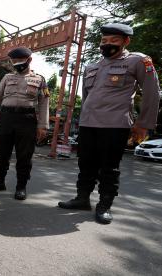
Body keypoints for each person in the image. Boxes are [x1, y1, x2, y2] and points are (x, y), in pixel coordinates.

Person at [58, 23, 160, 224]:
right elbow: (86, 97)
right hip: (88, 124)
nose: (107, 44)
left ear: (126, 41)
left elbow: (152, 93)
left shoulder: (138, 61)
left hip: (115, 125)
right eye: (104, 41)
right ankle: (82, 198)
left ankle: (104, 205)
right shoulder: (92, 66)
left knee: (109, 168)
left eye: (114, 40)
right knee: (85, 164)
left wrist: (143, 124)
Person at [0, 47, 49, 200]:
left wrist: (42, 125)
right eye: (14, 61)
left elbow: (44, 103)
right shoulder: (7, 78)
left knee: (24, 155)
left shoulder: (39, 79)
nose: (17, 63)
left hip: (27, 119)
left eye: (20, 60)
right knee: (1, 153)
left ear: (29, 60)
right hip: (6, 118)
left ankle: (21, 187)